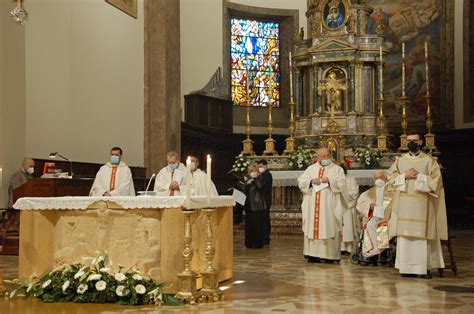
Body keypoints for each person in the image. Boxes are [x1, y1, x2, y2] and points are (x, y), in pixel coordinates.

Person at [387, 133, 448, 279]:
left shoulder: (429, 161)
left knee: (422, 236)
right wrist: (405, 176)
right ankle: (405, 268)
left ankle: (423, 268)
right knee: (405, 236)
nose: (411, 143)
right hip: (404, 205)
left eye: (414, 141)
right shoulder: (399, 161)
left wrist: (419, 177)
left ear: (420, 142)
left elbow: (437, 182)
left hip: (423, 204)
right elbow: (390, 178)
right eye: (409, 141)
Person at [298, 147, 346, 263]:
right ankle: (312, 254)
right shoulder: (310, 169)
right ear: (318, 157)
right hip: (312, 204)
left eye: (327, 155)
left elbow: (343, 184)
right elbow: (301, 181)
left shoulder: (337, 169)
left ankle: (330, 255)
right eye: (323, 156)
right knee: (313, 226)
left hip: (329, 205)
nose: (325, 158)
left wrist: (329, 180)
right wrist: (311, 181)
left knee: (328, 225)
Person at [356, 170, 393, 264]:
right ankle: (375, 249)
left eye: (381, 177)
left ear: (386, 178)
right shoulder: (369, 192)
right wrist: (369, 206)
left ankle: (382, 251)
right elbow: (360, 205)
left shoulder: (392, 190)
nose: (379, 180)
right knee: (369, 225)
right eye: (376, 178)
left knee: (385, 226)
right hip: (376, 216)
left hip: (389, 217)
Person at [243, 164, 266, 249]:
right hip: (248, 204)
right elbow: (244, 191)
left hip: (257, 205)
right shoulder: (247, 180)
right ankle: (249, 242)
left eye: (255, 171)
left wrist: (255, 179)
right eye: (251, 171)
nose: (253, 173)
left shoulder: (260, 179)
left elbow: (260, 188)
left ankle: (257, 243)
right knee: (249, 225)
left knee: (257, 224)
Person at [340, 163, 359, 255]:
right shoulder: (333, 179)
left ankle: (348, 247)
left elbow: (355, 192)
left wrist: (344, 197)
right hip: (336, 207)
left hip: (347, 206)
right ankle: (339, 247)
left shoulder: (350, 178)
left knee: (347, 227)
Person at [257, 159, 273, 245]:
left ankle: (266, 238)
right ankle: (263, 237)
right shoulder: (263, 174)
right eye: (258, 167)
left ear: (265, 166)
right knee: (263, 219)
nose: (260, 168)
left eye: (261, 166)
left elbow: (263, 187)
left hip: (265, 200)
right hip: (263, 200)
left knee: (265, 219)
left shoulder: (267, 175)